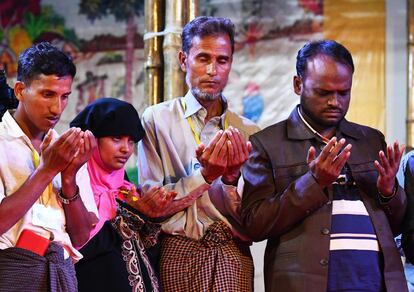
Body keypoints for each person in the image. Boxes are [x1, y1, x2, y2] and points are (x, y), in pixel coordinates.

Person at [241, 40, 408, 291]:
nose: (335, 102)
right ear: (298, 85)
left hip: (376, 281)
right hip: (304, 284)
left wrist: (389, 192)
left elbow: (397, 225)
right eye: (324, 93)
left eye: (344, 93)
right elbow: (255, 225)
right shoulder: (267, 144)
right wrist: (313, 182)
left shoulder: (371, 140)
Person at [137, 16, 260, 291]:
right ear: (183, 60)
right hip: (178, 249)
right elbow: (151, 205)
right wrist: (205, 176)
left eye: (222, 60)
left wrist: (229, 181)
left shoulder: (248, 131)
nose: (212, 70)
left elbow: (254, 220)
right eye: (203, 58)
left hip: (232, 252)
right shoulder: (156, 120)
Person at [71, 97, 201, 292]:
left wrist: (150, 218)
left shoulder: (127, 190)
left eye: (131, 141)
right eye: (116, 139)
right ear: (92, 140)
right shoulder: (75, 188)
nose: (126, 148)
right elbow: (82, 248)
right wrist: (133, 213)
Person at [0, 42, 98, 291]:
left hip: (61, 270)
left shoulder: (67, 145)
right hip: (11, 271)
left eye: (64, 96)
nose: (57, 108)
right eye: (47, 94)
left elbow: (81, 236)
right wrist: (47, 170)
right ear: (20, 90)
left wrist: (69, 179)